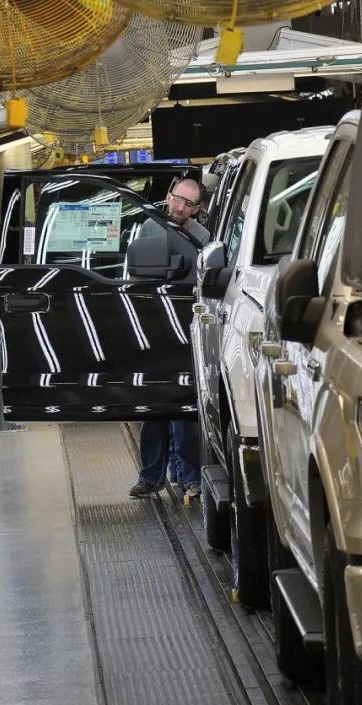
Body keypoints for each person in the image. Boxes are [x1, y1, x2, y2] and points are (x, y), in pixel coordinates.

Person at [129, 178, 209, 500]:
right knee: (152, 409)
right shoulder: (148, 229)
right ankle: (151, 477)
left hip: (186, 328)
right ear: (168, 196)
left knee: (184, 412)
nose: (181, 207)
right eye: (178, 199)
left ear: (197, 209)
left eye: (189, 204)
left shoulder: (203, 237)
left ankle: (190, 478)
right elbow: (134, 278)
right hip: (153, 327)